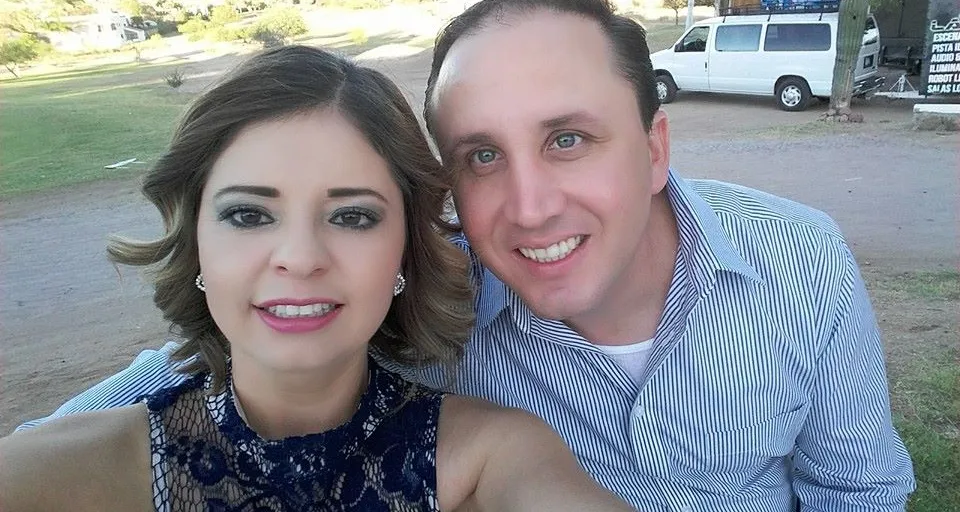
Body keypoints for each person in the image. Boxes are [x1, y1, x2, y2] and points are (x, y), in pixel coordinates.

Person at [15, 0, 916, 510]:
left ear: (654, 150)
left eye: (569, 139)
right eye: (481, 156)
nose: (527, 206)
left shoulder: (799, 261)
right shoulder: (432, 292)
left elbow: (858, 492)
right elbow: (208, 372)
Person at [0, 45, 635, 512]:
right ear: (196, 245)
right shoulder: (61, 472)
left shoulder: (494, 456)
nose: (300, 257)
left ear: (406, 254)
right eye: (249, 214)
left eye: (352, 216)